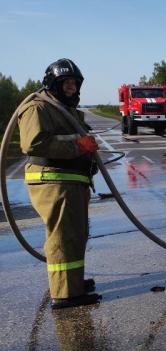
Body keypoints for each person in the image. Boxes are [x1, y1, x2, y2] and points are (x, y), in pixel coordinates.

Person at [18, 58, 101, 309]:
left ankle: (72, 283)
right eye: (66, 83)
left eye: (74, 83)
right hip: (54, 181)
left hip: (70, 181)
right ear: (53, 84)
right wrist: (78, 146)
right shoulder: (38, 107)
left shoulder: (65, 109)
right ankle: (66, 294)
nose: (71, 88)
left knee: (75, 235)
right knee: (64, 237)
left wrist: (87, 156)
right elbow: (33, 143)